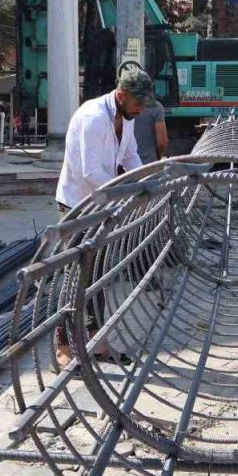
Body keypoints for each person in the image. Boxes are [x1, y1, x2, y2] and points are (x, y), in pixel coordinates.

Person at [53, 64, 155, 368]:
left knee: (96, 276)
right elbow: (90, 172)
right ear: (121, 95)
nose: (141, 110)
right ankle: (63, 349)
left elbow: (129, 156)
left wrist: (144, 180)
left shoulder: (127, 116)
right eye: (138, 104)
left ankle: (95, 341)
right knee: (72, 277)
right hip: (77, 206)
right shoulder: (93, 118)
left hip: (101, 204)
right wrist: (128, 190)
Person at [133, 95, 168, 164]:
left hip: (124, 167)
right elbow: (162, 143)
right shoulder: (156, 107)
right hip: (147, 164)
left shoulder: (119, 106)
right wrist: (158, 157)